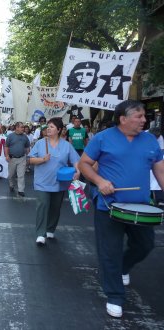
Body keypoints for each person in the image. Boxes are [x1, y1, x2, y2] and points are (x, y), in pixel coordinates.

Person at [78, 100, 164, 318]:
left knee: (145, 245)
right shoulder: (102, 138)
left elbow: (160, 172)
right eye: (139, 116)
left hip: (142, 206)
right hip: (108, 207)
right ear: (122, 119)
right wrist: (99, 181)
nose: (144, 120)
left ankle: (123, 267)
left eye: (144, 116)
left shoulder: (151, 141)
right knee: (110, 252)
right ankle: (115, 295)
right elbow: (84, 163)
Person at [28, 117, 80, 245]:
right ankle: (40, 233)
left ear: (59, 130)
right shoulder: (40, 143)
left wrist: (78, 171)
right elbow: (30, 160)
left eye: (51, 127)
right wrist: (42, 160)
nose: (48, 129)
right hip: (42, 182)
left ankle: (50, 229)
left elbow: (76, 161)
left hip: (60, 182)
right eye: (48, 126)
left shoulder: (67, 145)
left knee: (55, 207)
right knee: (42, 206)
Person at [5, 122, 30, 197]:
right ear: (17, 128)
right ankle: (11, 185)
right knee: (11, 175)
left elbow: (27, 146)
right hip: (12, 159)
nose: (23, 129)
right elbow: (6, 147)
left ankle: (20, 190)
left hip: (22, 158)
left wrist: (28, 155)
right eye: (21, 127)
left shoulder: (25, 137)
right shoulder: (10, 136)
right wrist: (6, 155)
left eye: (23, 127)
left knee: (21, 175)